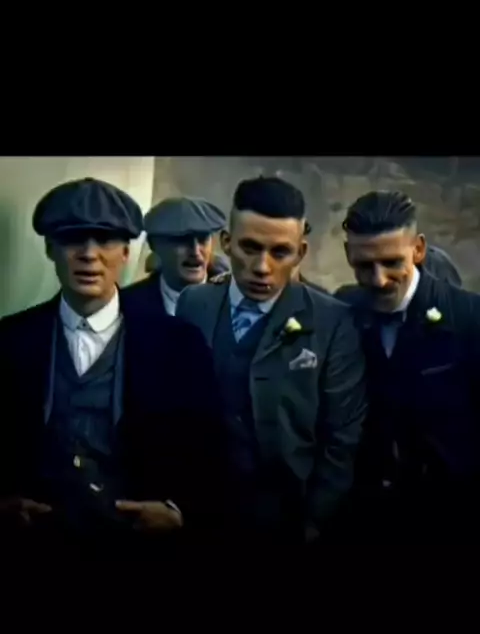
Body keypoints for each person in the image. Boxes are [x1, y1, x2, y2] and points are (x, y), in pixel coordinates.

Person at [0, 178, 225, 557]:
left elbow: (211, 448)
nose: (89, 255)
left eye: (104, 240)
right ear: (50, 248)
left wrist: (178, 511)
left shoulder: (178, 344)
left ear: (125, 252)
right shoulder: (10, 341)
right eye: (73, 239)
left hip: (138, 551)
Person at [176, 176, 367, 544]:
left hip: (286, 520)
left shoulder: (332, 322)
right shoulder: (193, 304)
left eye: (280, 252)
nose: (262, 267)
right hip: (198, 513)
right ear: (226, 243)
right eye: (250, 247)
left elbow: (342, 437)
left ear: (301, 253)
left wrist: (314, 522)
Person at [337, 190, 480, 543]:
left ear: (418, 249)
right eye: (364, 265)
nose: (379, 279)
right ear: (348, 254)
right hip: (364, 521)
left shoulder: (469, 318)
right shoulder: (343, 312)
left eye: (392, 262)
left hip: (450, 521)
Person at [122, 196, 230, 316]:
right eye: (182, 240)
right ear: (155, 245)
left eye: (202, 239)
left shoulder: (233, 302)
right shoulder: (127, 306)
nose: (195, 251)